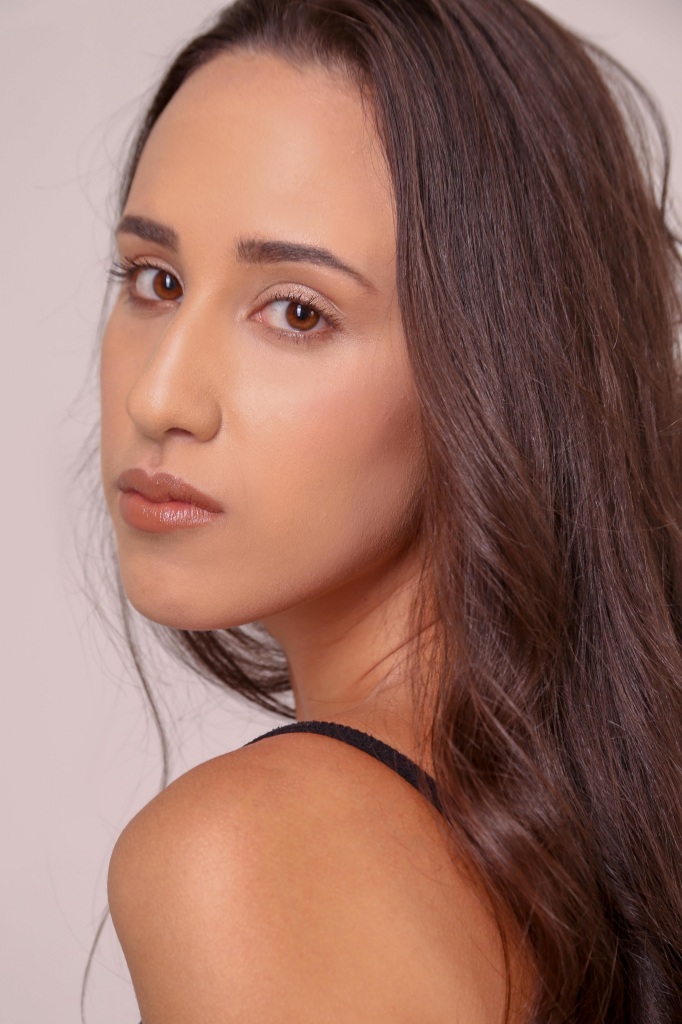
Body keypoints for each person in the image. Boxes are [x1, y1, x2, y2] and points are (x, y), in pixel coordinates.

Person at [100, 1, 682, 1021]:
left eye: (298, 311)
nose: (159, 399)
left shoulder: (251, 856)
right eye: (155, 279)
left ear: (497, 371)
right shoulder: (598, 840)